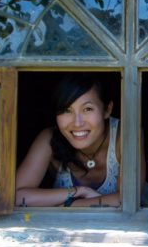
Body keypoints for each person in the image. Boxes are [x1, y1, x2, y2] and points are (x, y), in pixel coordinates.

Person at [15, 75, 122, 207]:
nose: (77, 123)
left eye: (87, 109)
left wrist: (72, 205)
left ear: (107, 110)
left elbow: (126, 200)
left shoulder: (124, 135)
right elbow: (16, 196)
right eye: (67, 110)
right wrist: (79, 191)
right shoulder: (50, 138)